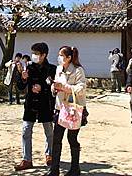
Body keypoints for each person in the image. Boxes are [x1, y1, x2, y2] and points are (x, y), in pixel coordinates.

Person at [14, 43, 56, 171]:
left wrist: (43, 88)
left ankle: (50, 154)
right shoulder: (29, 67)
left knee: (49, 131)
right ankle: (27, 159)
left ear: (44, 55)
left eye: (37, 54)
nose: (34, 56)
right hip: (31, 103)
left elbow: (55, 88)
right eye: (33, 53)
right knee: (26, 130)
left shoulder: (52, 69)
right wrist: (23, 78)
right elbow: (20, 87)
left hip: (45, 104)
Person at [47, 46, 87, 176]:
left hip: (73, 109)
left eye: (61, 55)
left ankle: (75, 168)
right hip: (60, 108)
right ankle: (54, 169)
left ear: (69, 58)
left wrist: (64, 87)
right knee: (56, 139)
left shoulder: (78, 70)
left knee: (72, 138)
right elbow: (56, 86)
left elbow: (80, 89)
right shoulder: (59, 69)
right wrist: (54, 87)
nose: (59, 58)